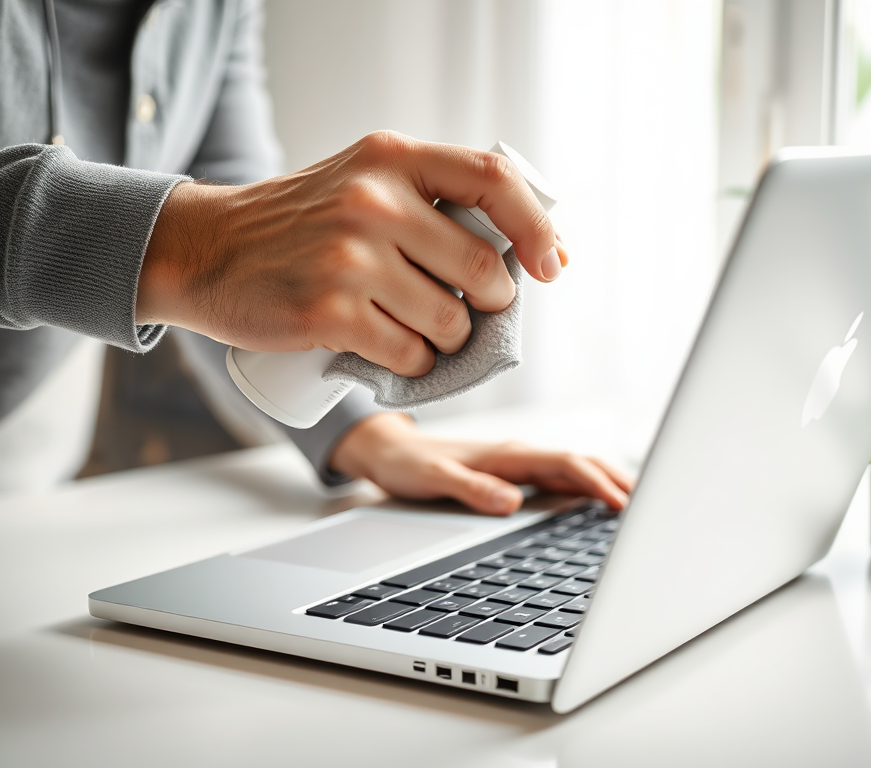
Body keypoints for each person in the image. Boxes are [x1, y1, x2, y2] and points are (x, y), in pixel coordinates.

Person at [0, 0, 632, 513]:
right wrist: (194, 244)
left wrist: (370, 438)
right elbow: (212, 245)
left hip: (23, 472)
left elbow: (247, 269)